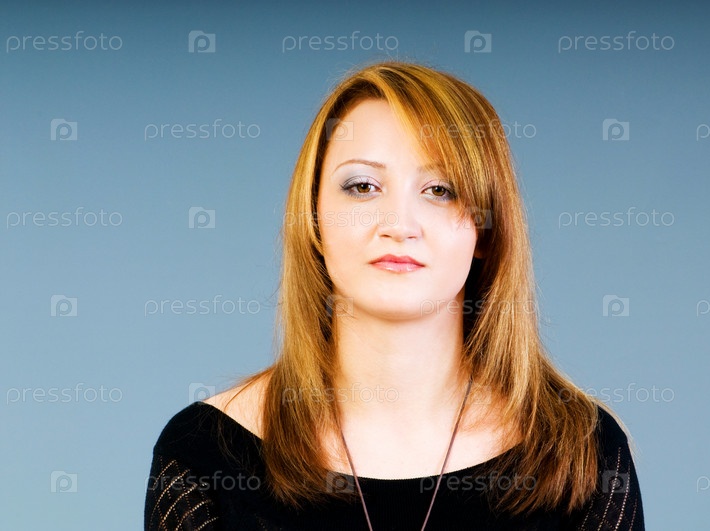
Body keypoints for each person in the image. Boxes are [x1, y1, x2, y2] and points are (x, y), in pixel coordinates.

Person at [144, 60, 645, 530]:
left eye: (440, 189)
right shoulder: (203, 453)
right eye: (362, 186)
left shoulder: (585, 453)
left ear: (486, 231)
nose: (399, 225)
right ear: (314, 220)